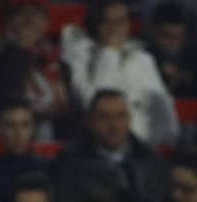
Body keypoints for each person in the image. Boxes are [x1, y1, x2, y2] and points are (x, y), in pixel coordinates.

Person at [59, 0, 178, 148]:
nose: (114, 28)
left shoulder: (143, 59)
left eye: (120, 21)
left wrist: (155, 147)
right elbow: (91, 101)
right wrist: (110, 52)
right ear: (96, 24)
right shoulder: (79, 56)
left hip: (143, 148)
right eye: (107, 21)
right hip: (97, 148)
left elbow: (163, 110)